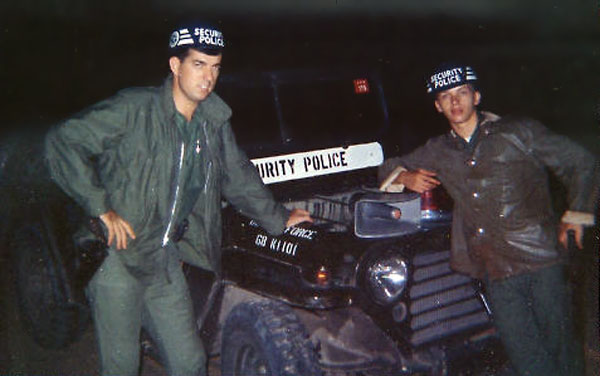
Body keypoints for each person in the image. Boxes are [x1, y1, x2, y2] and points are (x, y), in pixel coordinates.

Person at [44, 24, 311, 376]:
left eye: (215, 67)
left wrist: (278, 217)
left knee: (190, 361)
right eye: (199, 64)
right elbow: (63, 141)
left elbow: (238, 176)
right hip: (117, 260)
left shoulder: (211, 122)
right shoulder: (134, 108)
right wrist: (99, 207)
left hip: (164, 260)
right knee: (122, 365)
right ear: (175, 65)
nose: (209, 77)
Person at [379, 63, 598, 376]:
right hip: (495, 270)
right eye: (446, 96)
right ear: (438, 106)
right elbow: (387, 166)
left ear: (477, 97)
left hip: (541, 261)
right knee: (525, 355)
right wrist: (406, 176)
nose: (455, 102)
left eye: (462, 93)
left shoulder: (518, 131)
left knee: (561, 347)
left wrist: (576, 214)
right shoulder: (438, 150)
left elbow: (582, 163)